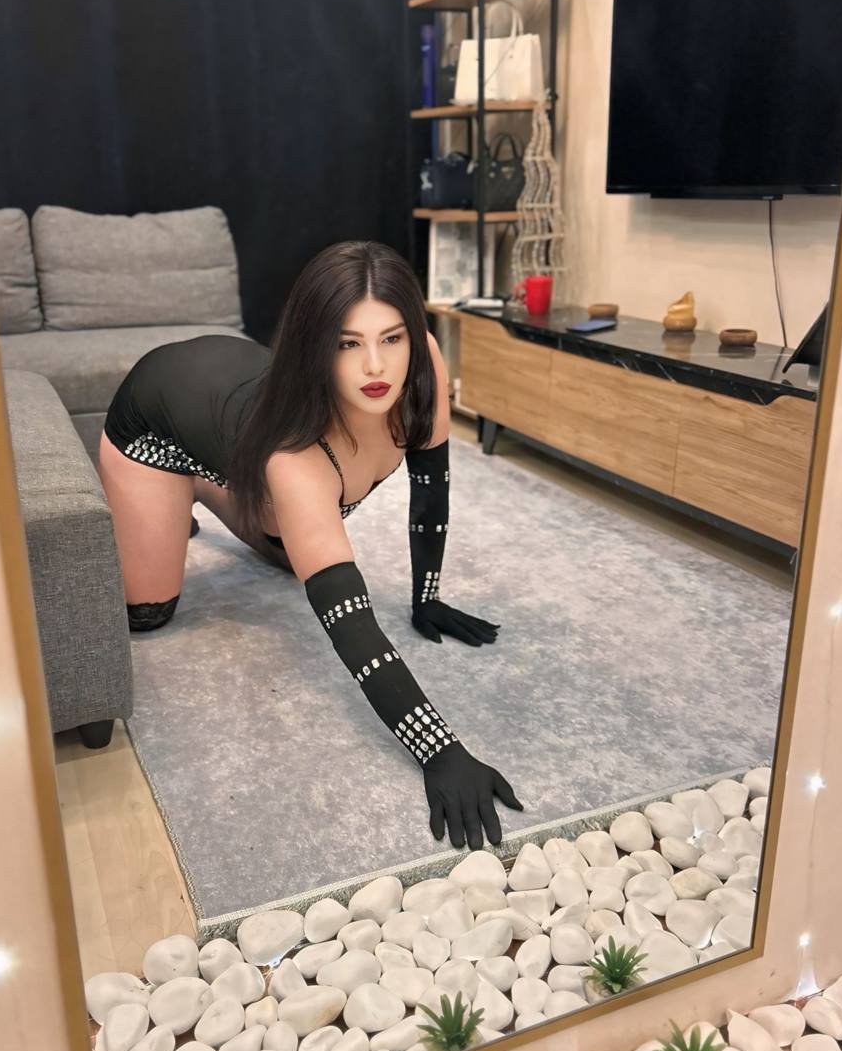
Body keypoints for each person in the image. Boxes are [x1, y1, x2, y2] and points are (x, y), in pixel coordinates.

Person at [98, 240, 523, 850]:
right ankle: (184, 482)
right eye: (347, 344)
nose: (376, 366)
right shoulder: (296, 460)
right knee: (149, 612)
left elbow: (432, 489)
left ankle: (215, 485)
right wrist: (441, 751)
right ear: (314, 348)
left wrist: (426, 597)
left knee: (286, 554)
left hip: (243, 413)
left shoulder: (422, 369)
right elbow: (352, 628)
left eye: (391, 338)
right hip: (156, 419)